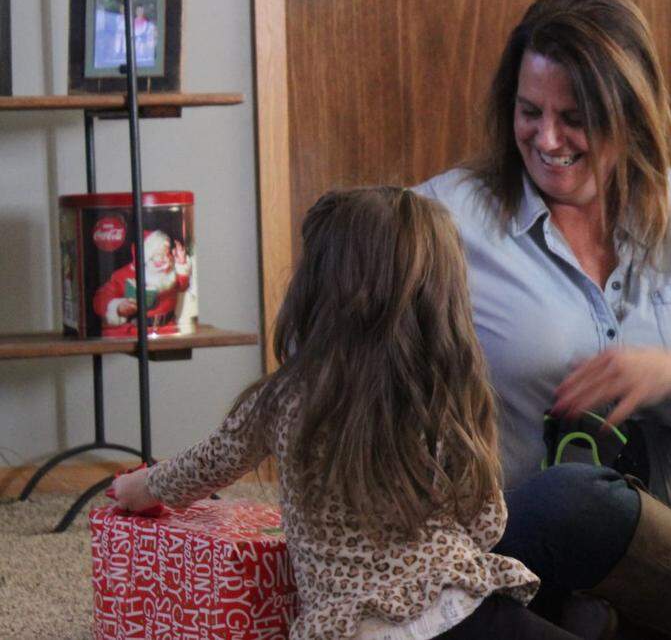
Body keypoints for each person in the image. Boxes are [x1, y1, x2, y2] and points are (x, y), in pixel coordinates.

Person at [411, 0, 671, 633]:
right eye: (530, 112)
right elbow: (348, 366)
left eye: (576, 117)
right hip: (521, 543)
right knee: (569, 503)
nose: (548, 138)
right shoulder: (442, 221)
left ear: (632, 112)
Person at [111, 188, 578, 640]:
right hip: (456, 609)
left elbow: (208, 463)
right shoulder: (440, 396)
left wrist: (140, 487)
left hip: (349, 627)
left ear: (315, 288)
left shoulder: (282, 398)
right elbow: (487, 525)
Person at [92, 229, 191, 336]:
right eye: (158, 255)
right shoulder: (123, 275)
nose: (165, 259)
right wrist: (118, 307)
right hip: (137, 332)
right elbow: (101, 299)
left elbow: (182, 286)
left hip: (167, 329)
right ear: (146, 257)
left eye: (167, 253)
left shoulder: (169, 272)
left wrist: (181, 264)